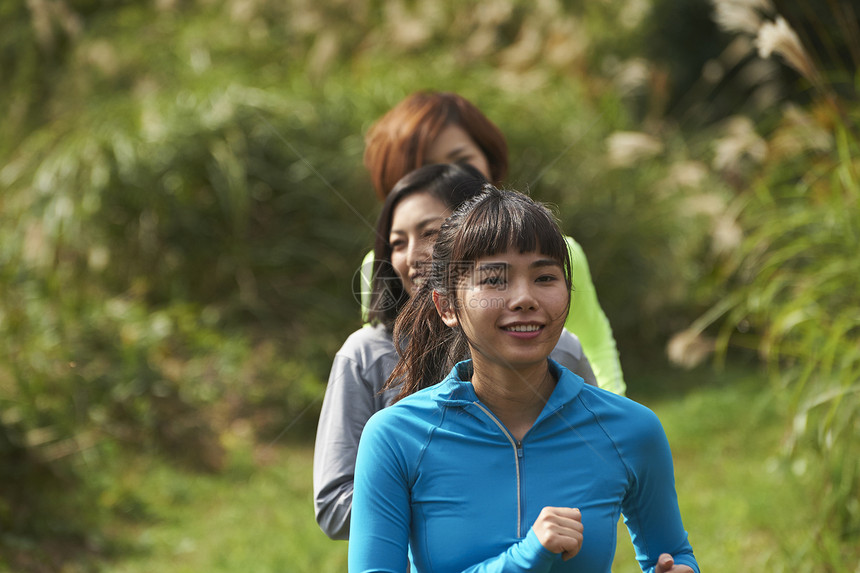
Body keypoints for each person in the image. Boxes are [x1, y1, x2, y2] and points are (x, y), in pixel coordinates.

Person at [349, 186, 699, 572]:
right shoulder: (395, 436)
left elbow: (674, 554)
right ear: (447, 305)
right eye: (495, 280)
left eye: (545, 277)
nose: (524, 298)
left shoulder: (632, 430)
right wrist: (522, 560)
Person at [313, 164, 598, 540]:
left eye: (429, 233)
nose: (412, 256)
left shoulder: (561, 349)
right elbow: (335, 506)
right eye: (397, 243)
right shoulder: (365, 355)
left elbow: (600, 465)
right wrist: (453, 499)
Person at [361, 90, 626, 395]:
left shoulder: (557, 254)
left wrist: (612, 419)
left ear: (491, 163)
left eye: (462, 162)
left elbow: (593, 345)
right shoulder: (382, 266)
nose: (446, 178)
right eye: (423, 168)